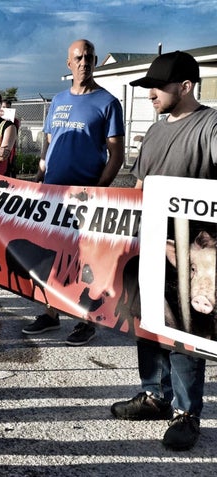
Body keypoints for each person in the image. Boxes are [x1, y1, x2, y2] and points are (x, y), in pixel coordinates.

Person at [110, 50, 217, 451]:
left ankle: (187, 413)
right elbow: (140, 187)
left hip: (192, 256)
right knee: (148, 324)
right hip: (150, 244)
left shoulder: (210, 125)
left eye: (158, 86)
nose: (150, 94)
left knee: (185, 332)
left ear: (185, 86)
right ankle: (154, 395)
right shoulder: (155, 132)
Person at [21, 39, 125, 346]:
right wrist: (39, 181)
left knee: (83, 262)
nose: (84, 62)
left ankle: (85, 320)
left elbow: (116, 156)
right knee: (47, 256)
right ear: (69, 64)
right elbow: (48, 144)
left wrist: (98, 191)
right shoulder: (57, 101)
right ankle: (50, 313)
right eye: (79, 58)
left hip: (85, 199)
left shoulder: (107, 103)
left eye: (90, 58)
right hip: (52, 196)